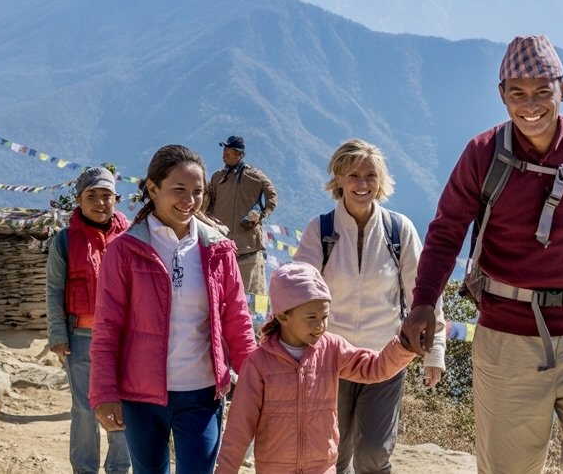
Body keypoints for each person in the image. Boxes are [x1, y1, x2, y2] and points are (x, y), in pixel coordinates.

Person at [400, 35, 563, 474]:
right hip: (506, 341)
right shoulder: (484, 155)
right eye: (518, 93)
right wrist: (425, 302)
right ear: (501, 95)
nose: (531, 105)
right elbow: (446, 231)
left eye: (543, 91)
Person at [88, 144, 257, 474]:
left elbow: (238, 320)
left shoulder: (218, 249)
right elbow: (107, 326)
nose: (189, 201)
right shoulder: (126, 251)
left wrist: (254, 382)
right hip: (141, 396)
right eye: (178, 189)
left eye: (197, 191)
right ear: (152, 187)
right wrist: (103, 392)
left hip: (203, 394)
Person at [295, 139, 446, 474]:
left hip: (385, 356)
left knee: (374, 452)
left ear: (381, 181)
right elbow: (298, 292)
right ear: (338, 180)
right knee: (334, 451)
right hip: (331, 359)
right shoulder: (320, 231)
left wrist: (434, 351)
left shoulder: (398, 230)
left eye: (370, 176)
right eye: (353, 175)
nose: (362, 184)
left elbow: (424, 293)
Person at [216, 262, 418, 474]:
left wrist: (405, 345)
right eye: (312, 317)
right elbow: (239, 429)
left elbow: (374, 368)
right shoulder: (259, 364)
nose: (320, 325)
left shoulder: (332, 349)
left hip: (323, 468)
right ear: (283, 316)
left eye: (324, 317)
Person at [46, 166, 132, 474]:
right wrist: (57, 335)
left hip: (125, 340)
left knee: (122, 406)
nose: (99, 203)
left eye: (106, 196)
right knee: (85, 409)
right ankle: (84, 470)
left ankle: (119, 468)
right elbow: (55, 289)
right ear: (78, 200)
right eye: (91, 196)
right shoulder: (65, 242)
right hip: (81, 338)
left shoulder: (132, 238)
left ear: (116, 199)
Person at [204, 135, 278, 295]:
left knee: (250, 299)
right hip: (221, 245)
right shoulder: (217, 177)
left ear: (240, 154)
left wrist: (262, 214)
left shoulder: (256, 176)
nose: (224, 155)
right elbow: (208, 203)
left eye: (228, 152)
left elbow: (272, 196)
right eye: (224, 151)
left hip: (248, 250)